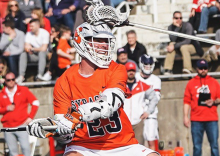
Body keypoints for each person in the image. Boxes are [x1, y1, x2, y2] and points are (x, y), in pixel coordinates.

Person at [26, 22, 159, 156]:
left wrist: (75, 116)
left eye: (106, 41)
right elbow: (66, 138)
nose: (104, 45)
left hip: (122, 143)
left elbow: (109, 104)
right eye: (98, 40)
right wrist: (54, 129)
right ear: (82, 42)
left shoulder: (116, 69)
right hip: (84, 146)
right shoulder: (64, 81)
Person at [183, 59, 220, 156]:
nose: (203, 70)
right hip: (196, 120)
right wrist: (185, 116)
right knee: (197, 147)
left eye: (205, 68)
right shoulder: (191, 83)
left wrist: (213, 102)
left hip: (212, 119)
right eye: (201, 68)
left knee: (214, 145)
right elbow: (186, 101)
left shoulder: (214, 82)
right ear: (197, 69)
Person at [0, 72, 39, 156]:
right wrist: (6, 108)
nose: (11, 81)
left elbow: (35, 103)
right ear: (5, 81)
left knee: (25, 148)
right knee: (12, 151)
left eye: (13, 79)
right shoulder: (1, 93)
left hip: (21, 124)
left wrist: (30, 117)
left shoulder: (23, 90)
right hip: (8, 126)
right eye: (8, 80)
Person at [123, 61, 159, 148]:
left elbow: (154, 98)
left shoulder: (143, 85)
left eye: (133, 70)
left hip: (137, 122)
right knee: (124, 148)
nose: (131, 73)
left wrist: (148, 112)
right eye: (128, 71)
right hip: (124, 122)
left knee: (139, 148)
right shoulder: (120, 86)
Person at [135, 54, 161, 151]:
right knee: (136, 143)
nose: (148, 66)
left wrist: (148, 111)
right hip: (137, 114)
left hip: (150, 114)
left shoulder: (156, 79)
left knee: (151, 142)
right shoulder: (136, 76)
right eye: (146, 64)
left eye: (150, 64)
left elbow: (156, 98)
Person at [164, 11, 197, 75]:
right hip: (179, 48)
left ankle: (188, 69)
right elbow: (172, 39)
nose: (179, 20)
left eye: (180, 18)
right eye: (176, 18)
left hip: (192, 47)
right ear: (173, 19)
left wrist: (174, 46)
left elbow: (188, 41)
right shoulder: (170, 27)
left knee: (183, 47)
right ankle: (168, 69)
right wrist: (177, 28)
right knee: (171, 44)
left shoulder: (188, 25)